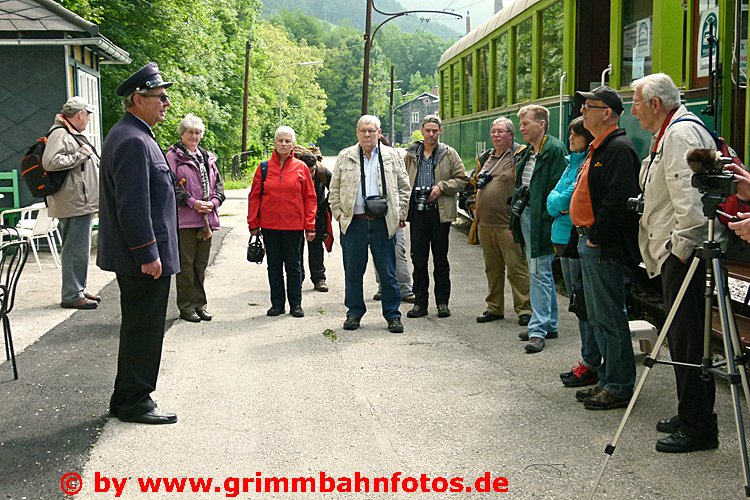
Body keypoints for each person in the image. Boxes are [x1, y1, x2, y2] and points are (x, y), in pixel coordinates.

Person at [631, 73, 721, 452]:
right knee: (682, 338)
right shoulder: (670, 132)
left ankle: (698, 426)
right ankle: (690, 413)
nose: (632, 111)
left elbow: (691, 205)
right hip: (679, 251)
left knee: (687, 340)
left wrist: (678, 250)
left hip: (684, 254)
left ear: (655, 104)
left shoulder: (680, 135)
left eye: (636, 103)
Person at [97, 62, 179, 425]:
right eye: (159, 97)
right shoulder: (132, 139)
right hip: (144, 257)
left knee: (138, 327)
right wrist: (148, 253)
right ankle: (136, 401)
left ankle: (125, 396)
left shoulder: (135, 133)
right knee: (144, 330)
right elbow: (133, 205)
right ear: (136, 99)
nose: (166, 103)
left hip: (143, 255)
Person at [569, 86, 640, 410]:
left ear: (607, 112)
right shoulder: (600, 148)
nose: (583, 111)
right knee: (598, 315)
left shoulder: (618, 149)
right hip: (590, 242)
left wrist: (596, 236)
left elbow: (616, 201)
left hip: (602, 246)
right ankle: (607, 379)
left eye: (589, 106)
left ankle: (619, 385)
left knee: (610, 315)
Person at [329, 115, 411, 333]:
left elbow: (404, 187)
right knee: (353, 272)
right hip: (354, 223)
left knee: (388, 272)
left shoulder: (392, 156)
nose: (367, 135)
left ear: (379, 132)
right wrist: (338, 213)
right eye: (363, 131)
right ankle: (354, 313)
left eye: (371, 131)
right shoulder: (345, 156)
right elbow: (334, 188)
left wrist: (400, 213)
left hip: (383, 223)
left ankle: (393, 315)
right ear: (357, 132)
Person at [547, 117, 600, 387]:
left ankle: (591, 361)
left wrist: (558, 203)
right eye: (569, 134)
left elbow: (563, 199)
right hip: (563, 239)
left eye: (575, 135)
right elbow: (552, 198)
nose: (570, 139)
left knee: (583, 304)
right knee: (578, 304)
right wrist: (557, 203)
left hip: (572, 237)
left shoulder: (583, 165)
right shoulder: (571, 164)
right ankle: (587, 358)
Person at [510, 105, 566, 353]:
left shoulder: (552, 150)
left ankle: (538, 329)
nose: (521, 128)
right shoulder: (529, 152)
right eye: (521, 123)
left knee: (539, 271)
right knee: (539, 271)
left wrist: (545, 219)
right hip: (527, 215)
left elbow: (556, 188)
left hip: (540, 219)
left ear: (541, 125)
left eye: (526, 123)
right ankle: (549, 323)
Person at [247, 126, 317, 318]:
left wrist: (310, 226)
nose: (284, 144)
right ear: (275, 143)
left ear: (293, 144)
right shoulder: (263, 168)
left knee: (294, 266)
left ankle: (296, 304)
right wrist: (253, 223)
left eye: (287, 141)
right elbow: (254, 197)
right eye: (280, 140)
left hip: (294, 226)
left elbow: (310, 198)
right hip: (269, 226)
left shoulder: (301, 168)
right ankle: (277, 304)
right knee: (274, 267)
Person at [403, 115, 468, 318]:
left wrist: (441, 187)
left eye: (435, 130)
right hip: (418, 214)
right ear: (421, 131)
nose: (431, 134)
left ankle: (442, 303)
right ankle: (420, 303)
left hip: (440, 214)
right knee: (418, 260)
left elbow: (462, 179)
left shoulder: (449, 154)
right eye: (428, 130)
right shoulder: (411, 155)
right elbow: (402, 181)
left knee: (441, 260)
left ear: (440, 131)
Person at [42, 96, 100, 310]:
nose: (88, 120)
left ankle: (78, 289)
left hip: (78, 201)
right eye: (87, 115)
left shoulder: (69, 132)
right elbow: (50, 162)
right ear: (79, 114)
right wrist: (80, 155)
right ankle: (72, 294)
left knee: (79, 247)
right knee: (75, 248)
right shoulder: (60, 133)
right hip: (74, 201)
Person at [166, 114, 225, 322]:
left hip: (206, 220)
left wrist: (214, 203)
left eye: (198, 132)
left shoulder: (207, 157)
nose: (194, 136)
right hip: (185, 220)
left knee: (201, 265)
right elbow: (171, 186)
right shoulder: (173, 156)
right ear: (182, 134)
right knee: (185, 265)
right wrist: (193, 202)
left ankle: (200, 304)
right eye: (190, 132)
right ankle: (186, 306)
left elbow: (218, 185)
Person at [473, 117, 532, 326]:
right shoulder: (486, 157)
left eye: (500, 131)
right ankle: (494, 307)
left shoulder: (518, 155)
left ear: (511, 135)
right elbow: (474, 184)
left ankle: (524, 309)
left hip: (507, 224)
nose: (496, 135)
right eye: (493, 132)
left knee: (516, 268)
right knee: (492, 268)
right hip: (485, 224)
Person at [295, 145, 332, 292]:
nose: (309, 175)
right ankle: (297, 278)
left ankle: (319, 279)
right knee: (296, 247)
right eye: (306, 171)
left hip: (317, 214)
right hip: (297, 214)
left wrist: (326, 204)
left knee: (316, 246)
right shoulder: (294, 171)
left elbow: (335, 187)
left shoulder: (322, 171)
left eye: (312, 171)